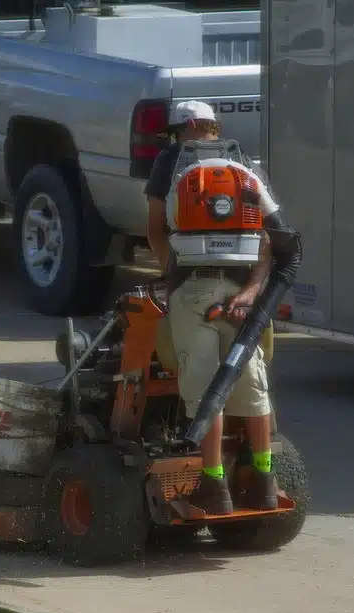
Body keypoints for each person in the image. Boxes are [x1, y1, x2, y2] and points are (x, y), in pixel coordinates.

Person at [144, 100, 279, 514]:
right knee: (252, 385)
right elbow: (273, 239)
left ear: (179, 130)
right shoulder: (243, 163)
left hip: (194, 291)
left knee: (206, 391)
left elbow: (154, 229)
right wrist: (252, 292)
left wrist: (171, 278)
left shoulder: (171, 163)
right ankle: (264, 479)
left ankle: (214, 485)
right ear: (213, 127)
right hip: (242, 296)